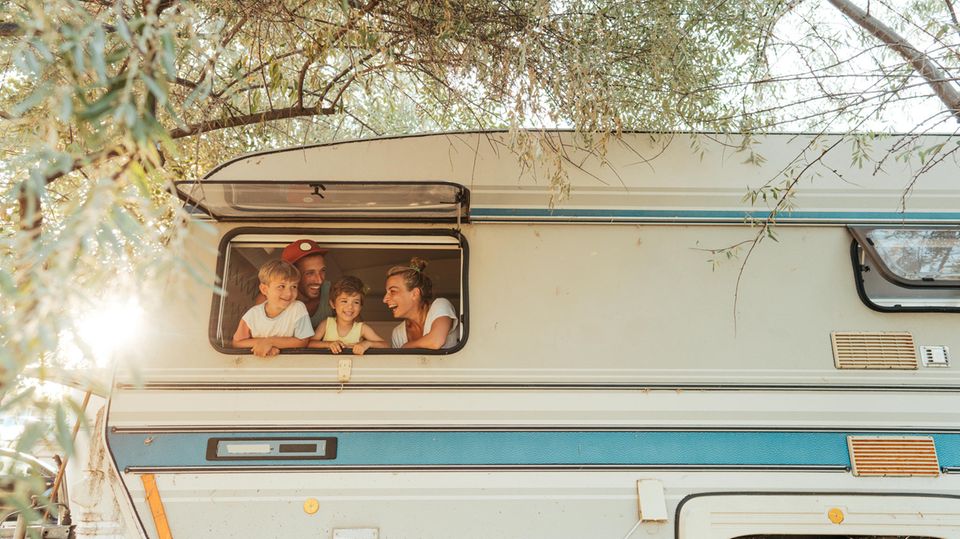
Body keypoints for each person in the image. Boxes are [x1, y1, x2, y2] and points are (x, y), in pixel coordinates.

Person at [233, 260, 313, 357]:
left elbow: (303, 341)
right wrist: (265, 345)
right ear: (264, 289)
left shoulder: (298, 308)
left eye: (294, 286)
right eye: (281, 286)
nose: (289, 293)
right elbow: (237, 342)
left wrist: (270, 342)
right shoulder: (253, 314)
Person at [383, 257, 459, 349]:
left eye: (393, 291)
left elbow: (435, 341)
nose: (384, 299)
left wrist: (405, 347)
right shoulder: (398, 333)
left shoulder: (440, 305)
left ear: (415, 294)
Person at [257, 239, 332, 329]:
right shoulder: (268, 300)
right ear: (292, 275)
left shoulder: (332, 292)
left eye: (322, 271)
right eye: (310, 273)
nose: (319, 280)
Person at [308, 276, 388, 355]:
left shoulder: (362, 328)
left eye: (356, 302)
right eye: (344, 301)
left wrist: (367, 344)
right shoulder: (326, 324)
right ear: (333, 304)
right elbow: (309, 344)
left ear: (360, 307)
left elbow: (385, 345)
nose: (350, 307)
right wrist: (329, 344)